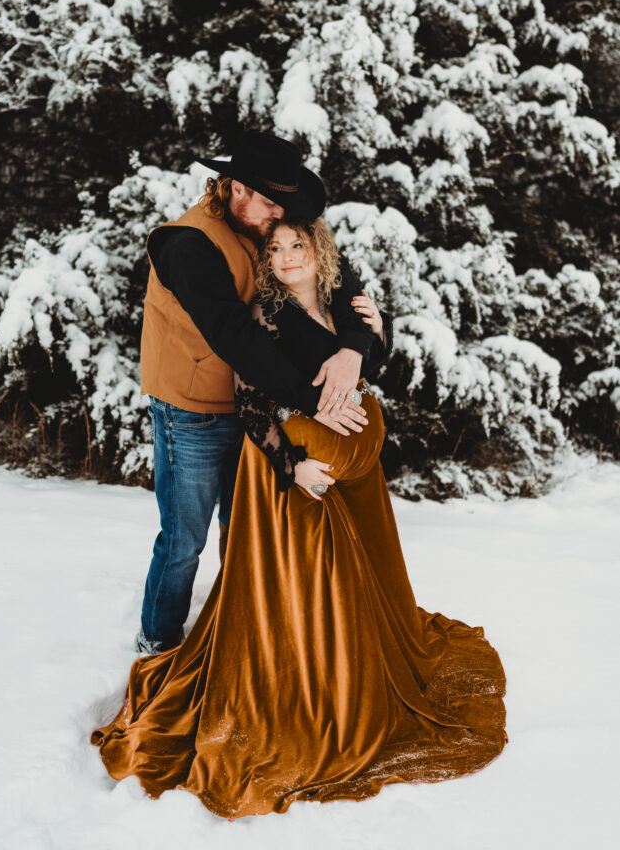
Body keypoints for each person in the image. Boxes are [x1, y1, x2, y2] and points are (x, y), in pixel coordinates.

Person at [92, 217, 508, 818]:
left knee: (355, 590)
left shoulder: (346, 303)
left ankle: (353, 673)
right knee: (310, 597)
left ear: (320, 251)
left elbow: (375, 368)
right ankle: (305, 689)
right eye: (276, 248)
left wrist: (375, 333)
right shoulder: (269, 314)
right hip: (297, 480)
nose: (287, 257)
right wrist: (293, 468)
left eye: (298, 246)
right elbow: (250, 400)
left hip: (352, 481)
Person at [135, 130, 378, 655]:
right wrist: (316, 401)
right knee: (184, 540)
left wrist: (355, 346)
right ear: (236, 189)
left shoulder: (267, 226)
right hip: (193, 413)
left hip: (259, 411)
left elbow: (340, 279)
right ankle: (157, 641)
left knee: (245, 533)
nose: (277, 216)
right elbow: (235, 337)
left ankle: (238, 636)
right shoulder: (187, 244)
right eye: (270, 202)